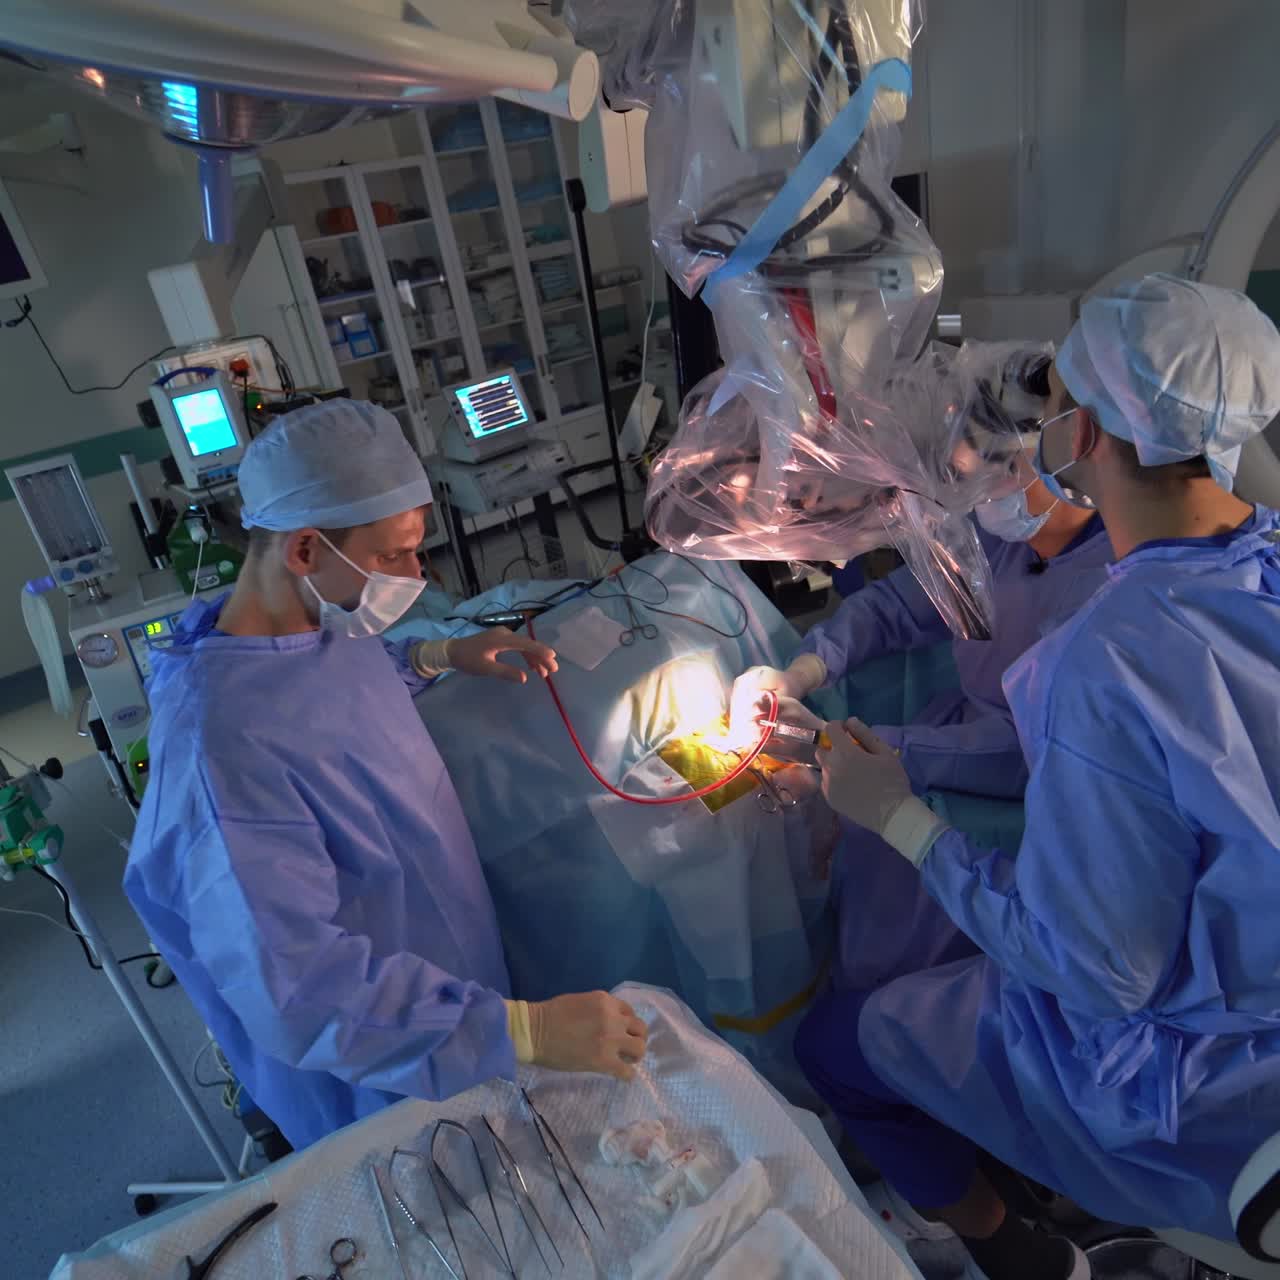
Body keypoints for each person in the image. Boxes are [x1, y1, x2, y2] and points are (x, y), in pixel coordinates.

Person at [793, 273, 1280, 1280]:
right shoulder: (1256, 565)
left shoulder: (1109, 653)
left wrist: (901, 820)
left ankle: (1015, 1248)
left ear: (1085, 432)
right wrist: (813, 664)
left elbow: (1098, 969)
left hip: (1187, 1077)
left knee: (836, 1044)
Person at [125, 400, 646, 1151]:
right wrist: (521, 1030)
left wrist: (435, 656)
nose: (416, 575)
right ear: (305, 549)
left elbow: (330, 702)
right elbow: (301, 992)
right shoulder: (220, 754)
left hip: (449, 994)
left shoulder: (310, 626)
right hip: (375, 1067)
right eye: (394, 555)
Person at [732, 381, 1112, 991]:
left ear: (1049, 453)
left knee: (911, 972)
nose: (972, 501)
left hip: (1014, 810)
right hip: (949, 746)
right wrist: (804, 669)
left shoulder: (1105, 590)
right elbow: (899, 607)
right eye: (959, 483)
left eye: (989, 477)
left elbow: (1022, 751)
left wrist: (842, 748)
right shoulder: (997, 537)